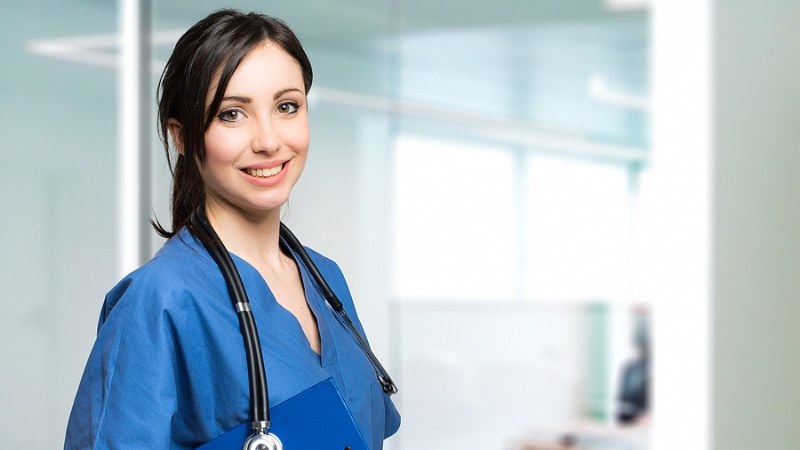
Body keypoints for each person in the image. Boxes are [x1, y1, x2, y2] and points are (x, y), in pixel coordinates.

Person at [64, 9, 400, 449]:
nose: (267, 140)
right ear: (182, 137)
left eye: (286, 107)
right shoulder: (160, 300)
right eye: (231, 114)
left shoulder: (325, 279)